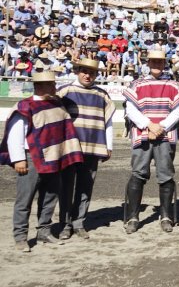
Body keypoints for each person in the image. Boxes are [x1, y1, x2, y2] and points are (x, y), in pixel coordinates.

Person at [0, 72, 84, 252]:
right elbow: (16, 135)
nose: (55, 88)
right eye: (51, 85)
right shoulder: (24, 106)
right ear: (40, 86)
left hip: (53, 157)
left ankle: (44, 231)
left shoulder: (57, 105)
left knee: (50, 196)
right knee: (25, 199)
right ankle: (20, 236)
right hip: (31, 158)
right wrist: (19, 159)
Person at [122, 50, 179, 234]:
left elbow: (178, 111)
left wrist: (161, 127)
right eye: (154, 62)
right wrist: (149, 125)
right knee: (138, 173)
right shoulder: (136, 84)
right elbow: (131, 109)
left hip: (164, 135)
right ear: (148, 62)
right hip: (143, 133)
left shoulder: (174, 85)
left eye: (160, 62)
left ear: (164, 63)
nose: (157, 65)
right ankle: (133, 217)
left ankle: (165, 215)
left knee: (165, 174)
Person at [56, 59, 115, 240]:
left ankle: (79, 223)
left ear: (97, 75)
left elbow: (108, 122)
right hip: (69, 149)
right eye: (84, 71)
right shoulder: (64, 91)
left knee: (85, 187)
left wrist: (109, 146)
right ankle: (65, 224)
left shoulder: (102, 94)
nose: (88, 75)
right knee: (66, 187)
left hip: (93, 146)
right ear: (77, 71)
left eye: (92, 72)